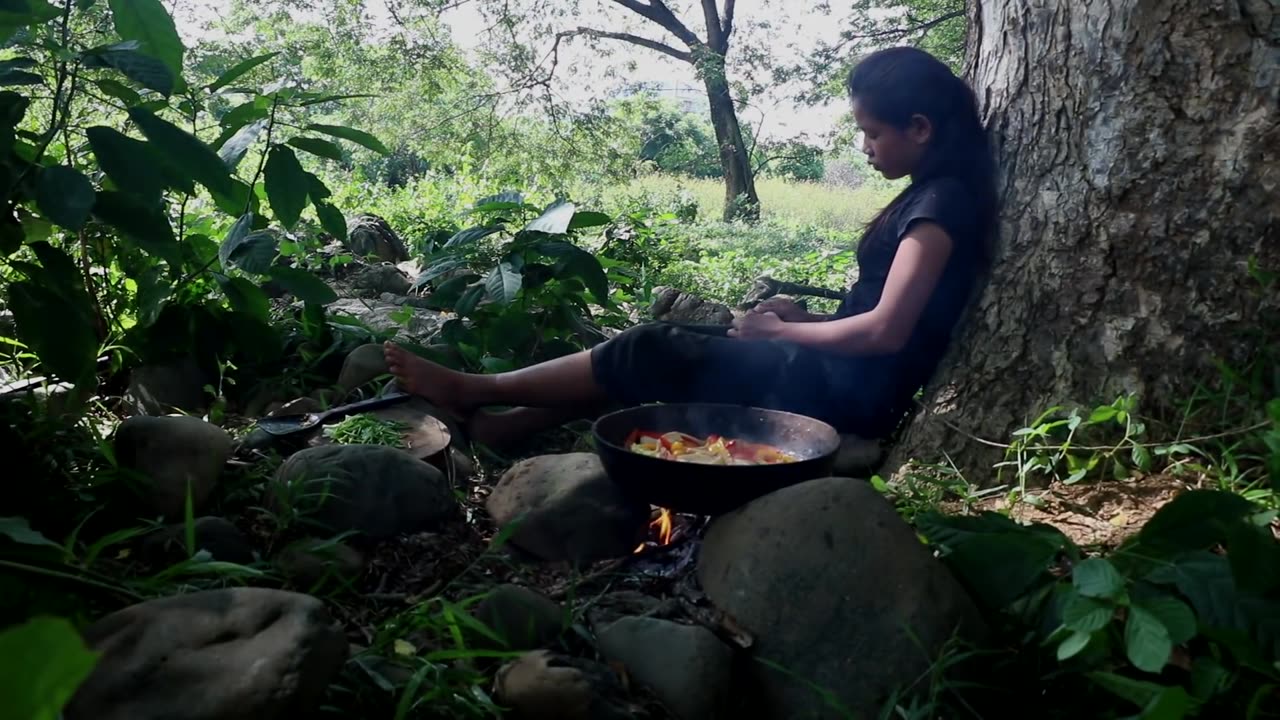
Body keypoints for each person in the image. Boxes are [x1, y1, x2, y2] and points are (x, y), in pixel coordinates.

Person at [384, 46, 997, 449]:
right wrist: (801, 318)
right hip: (840, 372)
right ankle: (508, 427)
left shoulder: (939, 206)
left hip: (848, 395)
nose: (865, 147)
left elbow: (889, 332)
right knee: (688, 346)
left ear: (920, 127)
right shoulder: (933, 194)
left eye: (872, 133)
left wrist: (783, 336)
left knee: (654, 346)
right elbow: (881, 315)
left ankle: (477, 392)